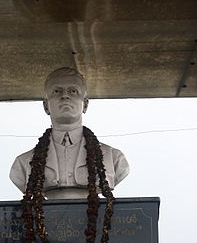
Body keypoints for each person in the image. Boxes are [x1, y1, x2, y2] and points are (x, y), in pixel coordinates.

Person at [9, 67, 129, 198]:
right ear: (45, 106)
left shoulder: (114, 158)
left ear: (86, 104)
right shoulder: (24, 163)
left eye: (73, 91)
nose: (65, 96)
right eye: (56, 91)